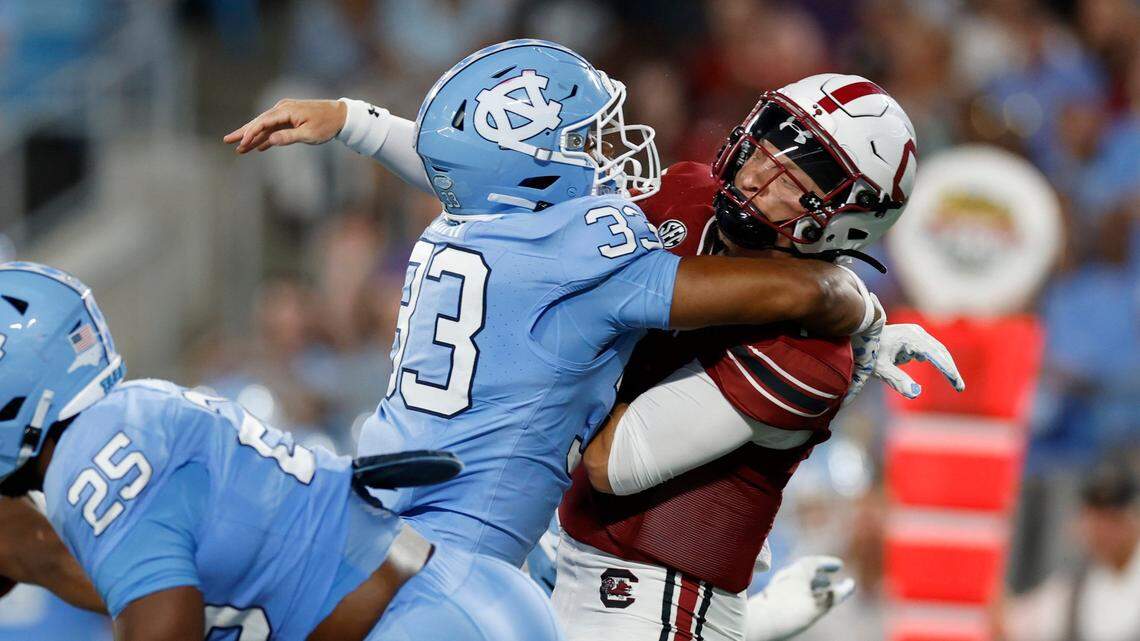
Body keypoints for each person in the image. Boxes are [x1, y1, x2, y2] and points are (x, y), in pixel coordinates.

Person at [223, 40, 883, 574]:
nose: (605, 153)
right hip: (462, 551)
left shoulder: (461, 221)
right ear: (535, 169)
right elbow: (794, 291)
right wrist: (855, 297)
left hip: (376, 509)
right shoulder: (584, 250)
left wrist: (355, 122)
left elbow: (472, 166)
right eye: (582, 141)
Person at [0, 261, 561, 641]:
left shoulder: (91, 457)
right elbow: (73, 562)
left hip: (415, 625)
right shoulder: (129, 412)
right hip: (459, 599)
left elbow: (164, 627)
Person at [1003, 458, 1140, 641]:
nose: (1104, 532)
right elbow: (1012, 624)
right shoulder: (1073, 587)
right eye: (1096, 521)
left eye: (1114, 520)